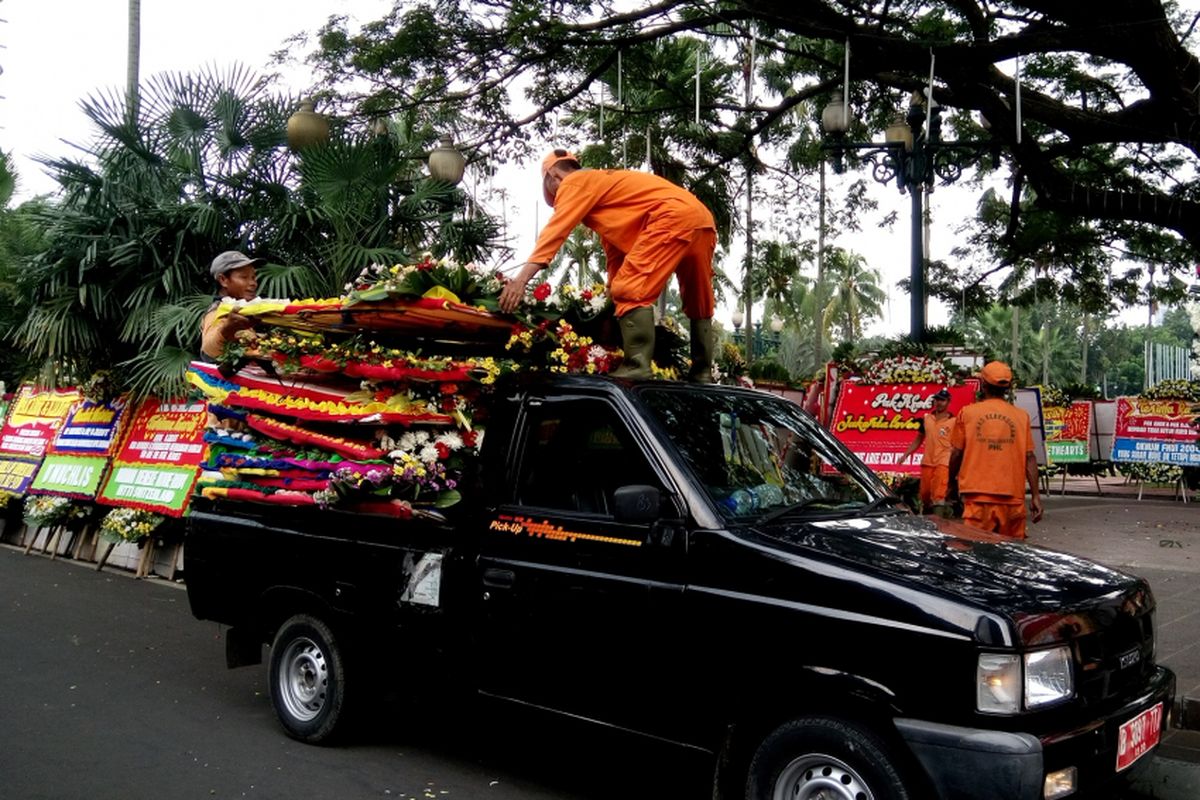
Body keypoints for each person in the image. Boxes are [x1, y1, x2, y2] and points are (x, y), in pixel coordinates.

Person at [497, 149, 718, 381]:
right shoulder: (606, 190)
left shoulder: (574, 183)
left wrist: (520, 280)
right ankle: (702, 372)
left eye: (552, 192)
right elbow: (616, 251)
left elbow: (554, 233)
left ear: (553, 176)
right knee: (698, 298)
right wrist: (612, 295)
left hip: (671, 217)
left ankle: (637, 366)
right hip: (701, 219)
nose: (556, 198)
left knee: (630, 288)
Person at [947, 361, 1043, 538]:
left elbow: (956, 453)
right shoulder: (1022, 417)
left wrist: (950, 484)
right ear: (1008, 388)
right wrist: (1036, 495)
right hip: (1013, 499)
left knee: (977, 554)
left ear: (983, 385)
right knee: (1011, 556)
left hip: (978, 500)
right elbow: (1030, 458)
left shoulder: (967, 413)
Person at [899, 387, 957, 513]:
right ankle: (928, 516)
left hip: (943, 461)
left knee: (938, 493)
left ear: (948, 402)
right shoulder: (926, 419)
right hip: (928, 461)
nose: (939, 403)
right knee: (925, 494)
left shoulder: (954, 421)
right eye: (937, 400)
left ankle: (938, 523)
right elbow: (918, 439)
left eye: (942, 400)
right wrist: (905, 455)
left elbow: (958, 443)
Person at [199, 250, 263, 362]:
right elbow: (208, 349)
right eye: (244, 277)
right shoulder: (217, 311)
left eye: (253, 277)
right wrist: (226, 330)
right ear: (223, 280)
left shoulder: (241, 309)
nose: (253, 283)